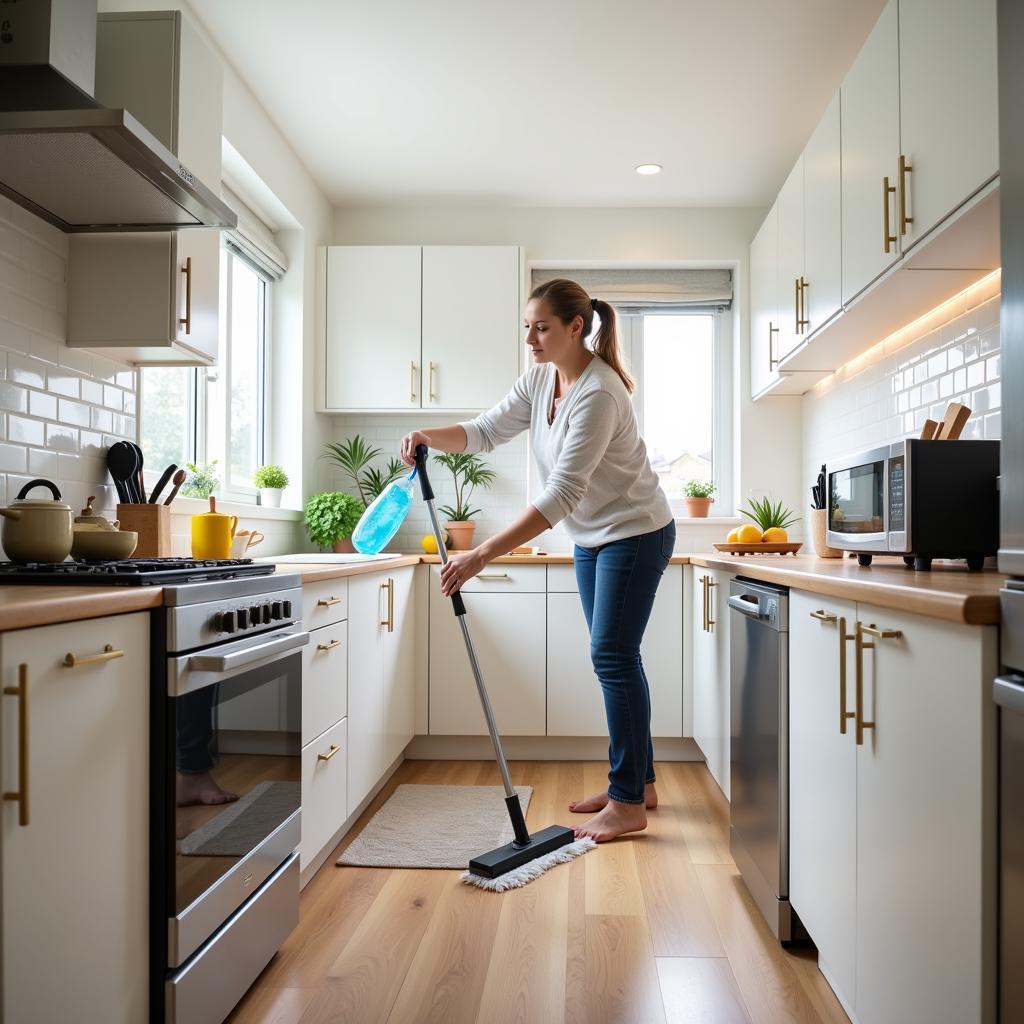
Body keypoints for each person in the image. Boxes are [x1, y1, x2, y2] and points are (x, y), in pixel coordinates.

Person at [401, 278, 674, 842]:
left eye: (542, 327)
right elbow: (484, 432)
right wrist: (428, 432)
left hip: (635, 532)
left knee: (612, 656)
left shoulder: (599, 393)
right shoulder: (541, 378)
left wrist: (479, 554)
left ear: (577, 327)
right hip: (593, 536)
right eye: (528, 326)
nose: (530, 338)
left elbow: (561, 495)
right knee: (617, 657)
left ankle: (627, 803)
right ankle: (638, 783)